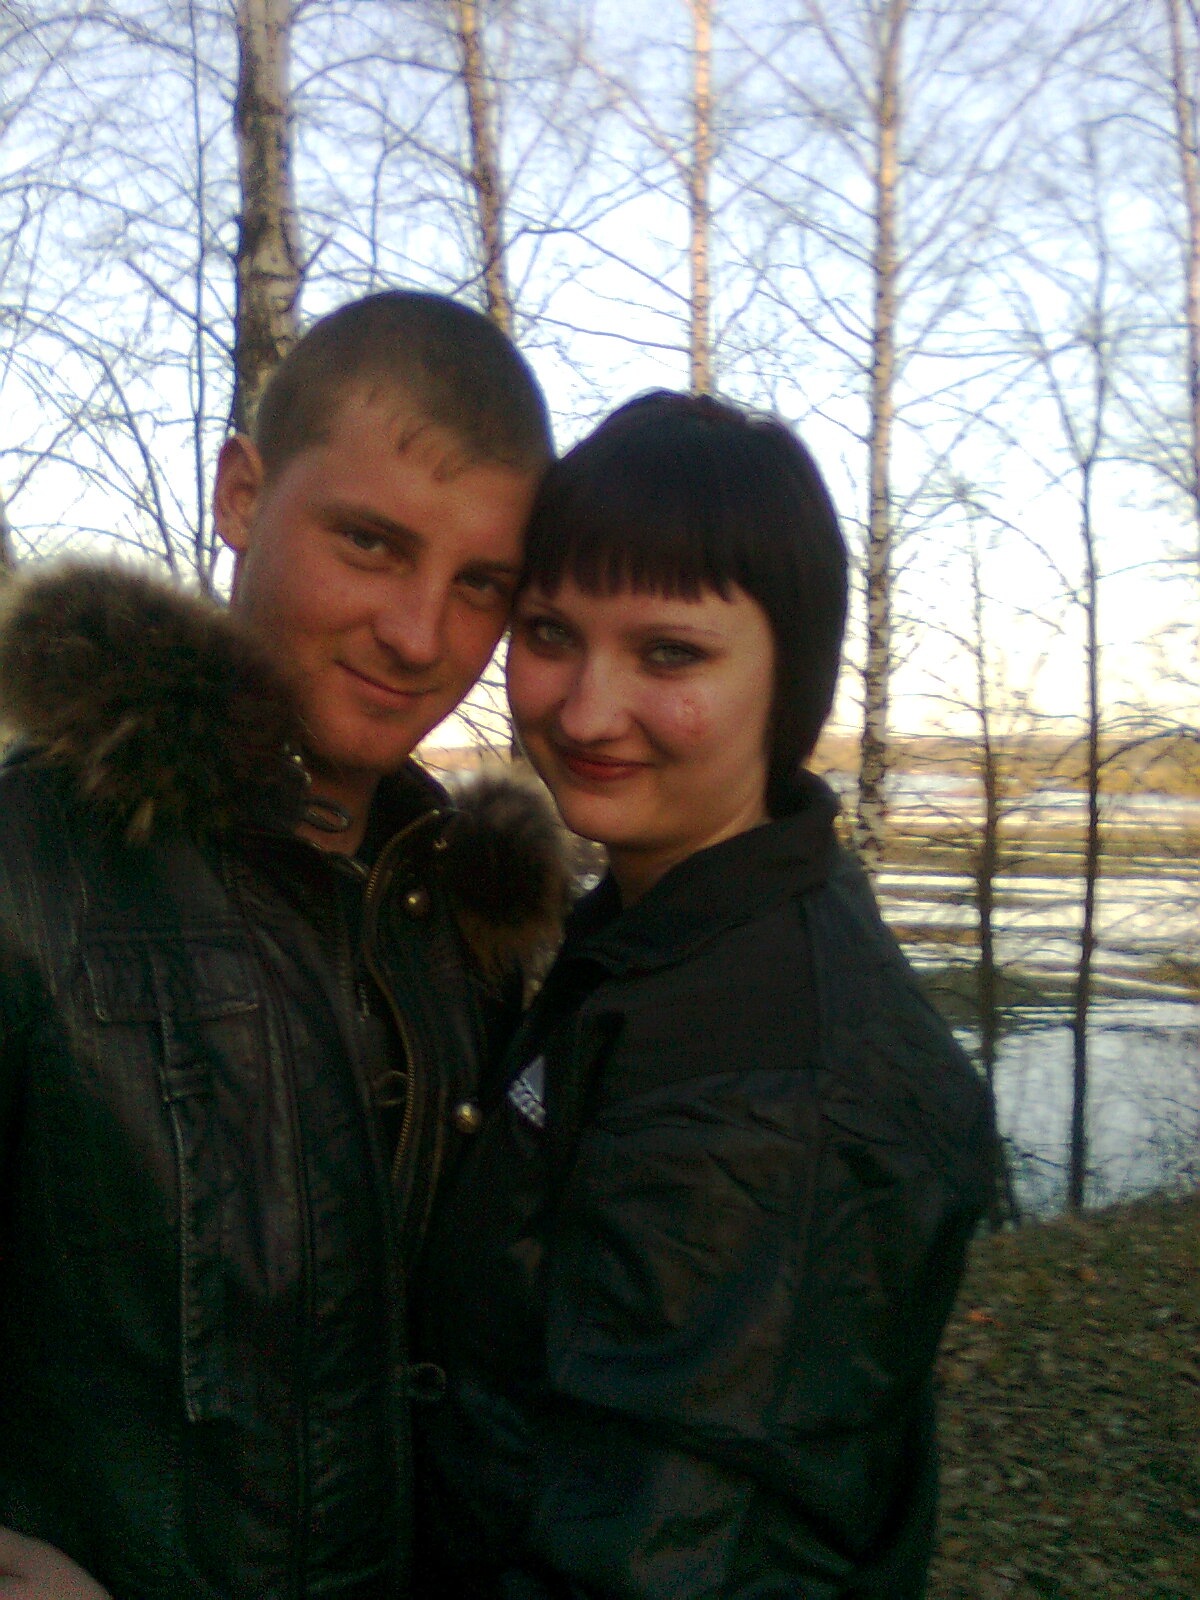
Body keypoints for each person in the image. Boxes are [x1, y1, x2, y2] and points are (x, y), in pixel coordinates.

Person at [0, 290, 569, 1600]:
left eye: (480, 585)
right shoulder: (32, 875)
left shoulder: (467, 926)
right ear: (243, 495)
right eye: (371, 543)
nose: (420, 635)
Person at [411, 391, 998, 1598]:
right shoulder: (655, 941)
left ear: (791, 680)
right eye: (551, 632)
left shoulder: (768, 1084)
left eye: (669, 652)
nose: (584, 709)